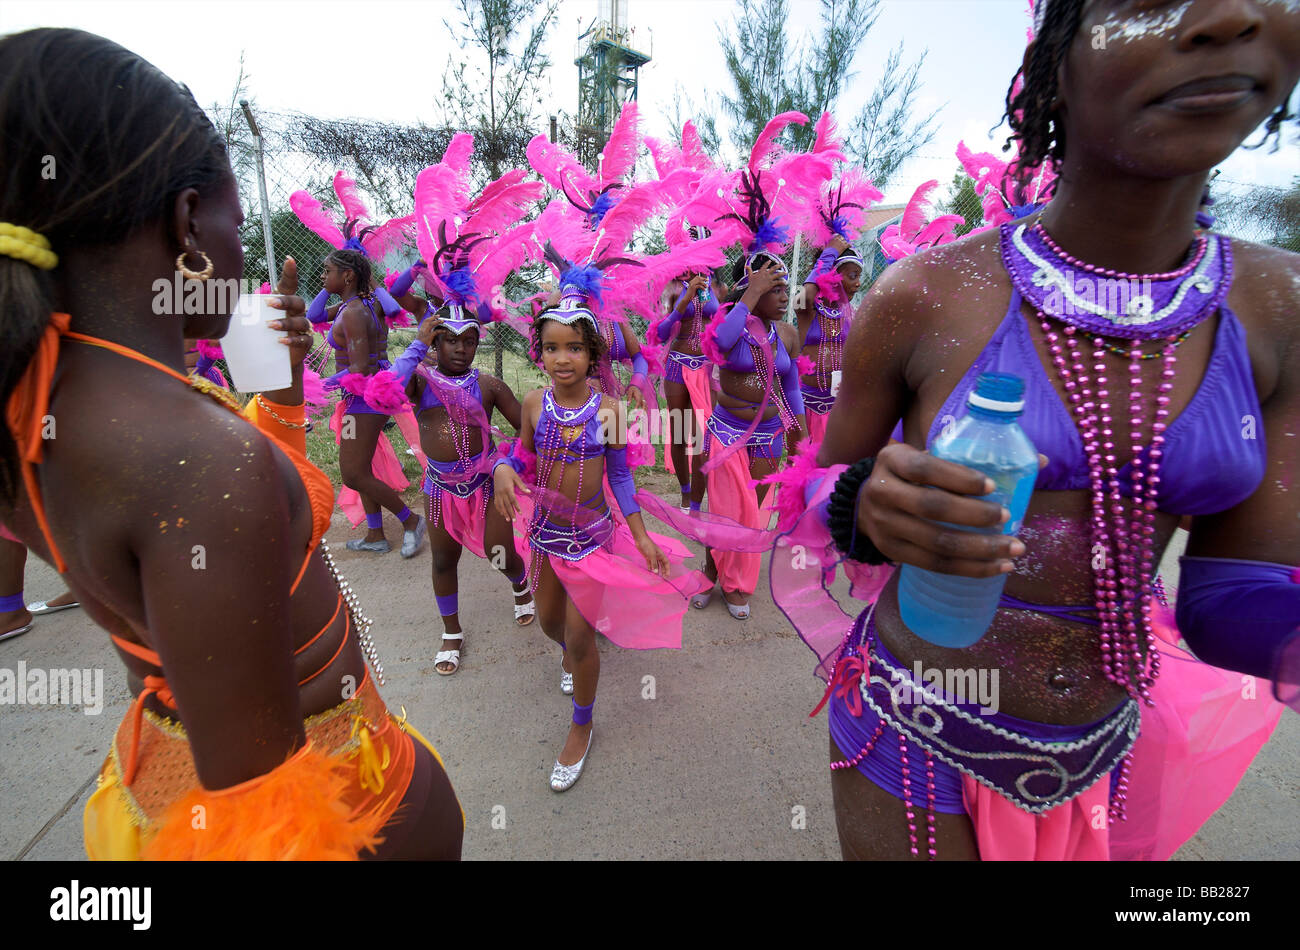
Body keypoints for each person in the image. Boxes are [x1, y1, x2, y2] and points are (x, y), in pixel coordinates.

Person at [806, 0, 1299, 860]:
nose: (1225, 16)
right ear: (1054, 66)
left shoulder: (1280, 308)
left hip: (1105, 744)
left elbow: (1226, 602)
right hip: (918, 729)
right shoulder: (924, 294)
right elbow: (811, 501)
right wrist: (862, 506)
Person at [0, 28, 462, 859]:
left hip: (163, 787)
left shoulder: (42, 407)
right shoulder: (192, 461)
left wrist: (280, 398)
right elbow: (267, 833)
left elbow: (269, 541)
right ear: (186, 223)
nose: (243, 253)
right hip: (333, 815)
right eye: (236, 224)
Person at [493, 298, 704, 791]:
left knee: (582, 639)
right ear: (538, 353)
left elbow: (621, 477)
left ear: (592, 355)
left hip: (591, 540)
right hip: (543, 535)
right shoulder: (531, 405)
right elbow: (520, 456)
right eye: (550, 348)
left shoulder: (609, 410)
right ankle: (569, 656)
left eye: (573, 348)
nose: (561, 358)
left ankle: (581, 725)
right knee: (551, 625)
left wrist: (642, 536)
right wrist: (503, 467)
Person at [389, 311, 535, 676]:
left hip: (486, 485)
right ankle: (451, 631)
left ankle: (520, 584)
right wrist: (417, 344)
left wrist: (505, 464)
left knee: (499, 553)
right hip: (439, 488)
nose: (460, 349)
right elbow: (388, 389)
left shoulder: (489, 386)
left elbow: (526, 431)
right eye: (450, 340)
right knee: (442, 560)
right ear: (435, 343)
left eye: (469, 341)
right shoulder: (419, 384)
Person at [693, 256, 808, 620]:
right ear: (752, 289)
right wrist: (751, 293)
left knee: (750, 517)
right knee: (725, 513)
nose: (782, 297)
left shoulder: (787, 334)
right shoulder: (729, 326)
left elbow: (792, 388)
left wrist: (799, 436)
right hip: (728, 434)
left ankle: (736, 582)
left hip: (768, 437)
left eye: (783, 290)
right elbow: (722, 341)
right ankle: (711, 573)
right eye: (772, 290)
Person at [321, 245, 426, 556]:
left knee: (352, 472)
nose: (323, 276)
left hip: (363, 400)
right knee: (362, 467)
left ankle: (411, 521)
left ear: (348, 275)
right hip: (361, 398)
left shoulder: (353, 312)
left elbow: (359, 367)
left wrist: (318, 386)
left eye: (328, 271)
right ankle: (375, 534)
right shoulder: (353, 307)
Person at [650, 229, 721, 512]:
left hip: (707, 368)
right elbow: (660, 332)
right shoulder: (671, 286)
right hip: (678, 365)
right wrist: (686, 296)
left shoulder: (715, 284)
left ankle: (697, 501)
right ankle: (684, 490)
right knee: (680, 433)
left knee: (706, 436)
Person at [795, 234, 862, 444]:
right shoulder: (808, 310)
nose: (858, 283)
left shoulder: (850, 313)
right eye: (853, 276)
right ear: (833, 275)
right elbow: (805, 295)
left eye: (860, 277)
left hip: (837, 406)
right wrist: (829, 253)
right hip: (807, 405)